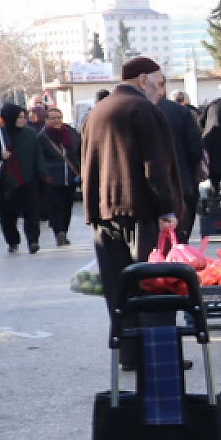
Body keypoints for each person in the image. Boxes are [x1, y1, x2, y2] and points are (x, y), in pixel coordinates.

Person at [80, 56, 182, 313]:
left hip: (102, 213)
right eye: (159, 85)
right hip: (140, 212)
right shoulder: (144, 110)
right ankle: (152, 350)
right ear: (143, 79)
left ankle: (126, 350)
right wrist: (167, 209)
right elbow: (156, 166)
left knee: (117, 292)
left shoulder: (96, 113)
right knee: (149, 288)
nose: (161, 93)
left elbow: (86, 164)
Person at [0, 103, 50, 254]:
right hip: (5, 183)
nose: (23, 120)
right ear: (10, 118)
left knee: (31, 212)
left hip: (28, 181)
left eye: (23, 116)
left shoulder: (29, 134)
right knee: (7, 215)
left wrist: (42, 176)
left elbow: (37, 156)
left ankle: (33, 241)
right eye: (19, 117)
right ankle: (13, 241)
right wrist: (0, 155)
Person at [154, 72, 205, 243]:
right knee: (179, 242)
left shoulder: (132, 110)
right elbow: (195, 150)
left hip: (147, 191)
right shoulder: (180, 112)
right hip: (181, 184)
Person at [37, 105, 82, 246]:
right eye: (53, 118)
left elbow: (79, 151)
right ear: (47, 120)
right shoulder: (42, 137)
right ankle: (59, 232)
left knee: (68, 206)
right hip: (52, 179)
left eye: (59, 118)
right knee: (56, 207)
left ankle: (64, 231)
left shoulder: (71, 133)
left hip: (70, 177)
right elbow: (39, 158)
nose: (57, 121)